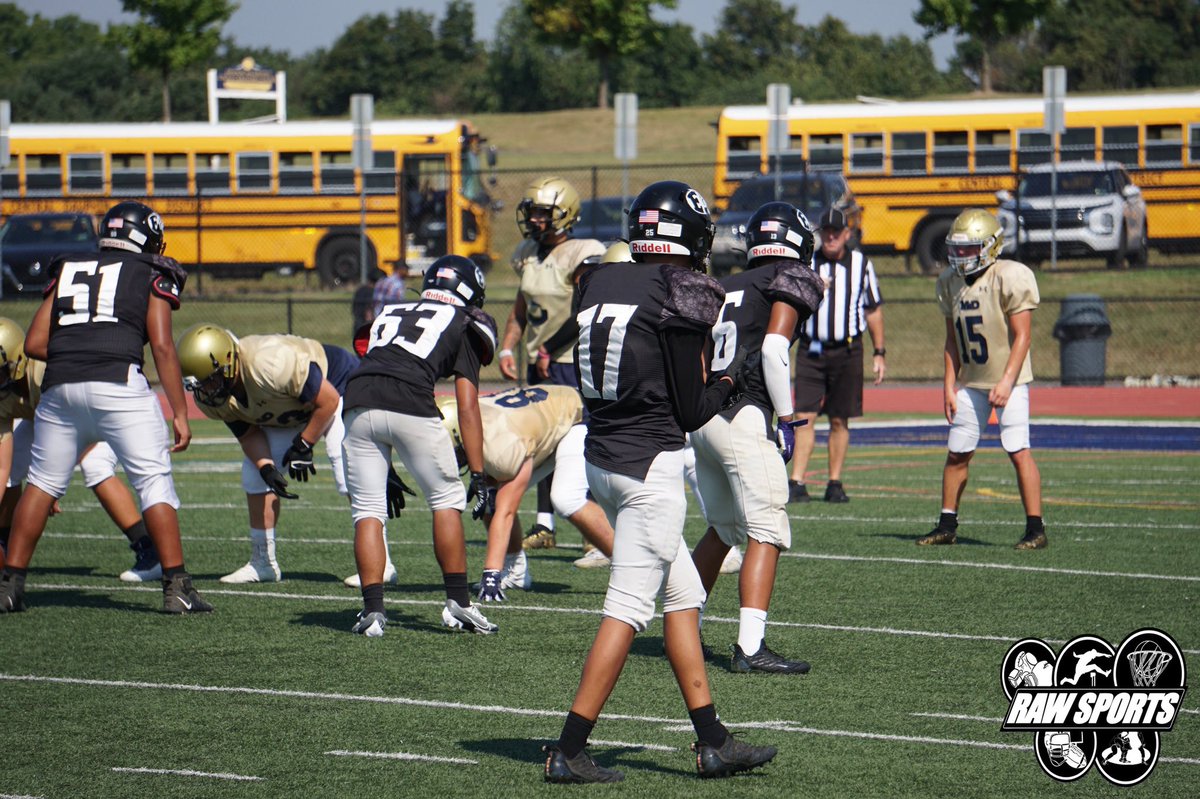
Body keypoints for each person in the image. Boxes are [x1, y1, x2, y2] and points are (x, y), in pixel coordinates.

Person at [542, 180, 776, 784]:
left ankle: (713, 740)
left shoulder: (599, 276)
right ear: (687, 238)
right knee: (626, 610)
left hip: (603, 457)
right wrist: (732, 380)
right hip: (649, 467)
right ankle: (569, 749)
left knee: (685, 598)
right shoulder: (681, 287)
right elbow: (694, 408)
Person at [0, 200, 210, 614]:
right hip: (118, 382)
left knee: (42, 484)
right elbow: (164, 345)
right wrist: (180, 412)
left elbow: (34, 343)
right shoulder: (152, 271)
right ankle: (177, 587)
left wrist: (79, 346)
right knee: (153, 483)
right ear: (145, 238)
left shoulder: (70, 268)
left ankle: (10, 585)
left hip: (60, 387)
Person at [689, 202, 824, 674]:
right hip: (744, 412)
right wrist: (785, 416)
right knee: (766, 526)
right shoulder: (787, 278)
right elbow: (772, 348)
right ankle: (750, 647)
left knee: (724, 528)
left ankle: (684, 632)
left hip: (705, 415)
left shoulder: (725, 285)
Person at [342, 254, 500, 638]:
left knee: (368, 511)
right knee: (447, 499)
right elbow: (466, 405)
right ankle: (459, 603)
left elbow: (381, 366)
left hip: (357, 401)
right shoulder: (463, 321)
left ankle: (373, 612)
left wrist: (389, 461)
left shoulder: (392, 308)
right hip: (410, 401)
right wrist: (478, 474)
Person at [176, 324, 367, 583]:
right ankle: (263, 562)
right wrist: (266, 467)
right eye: (200, 384)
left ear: (229, 362)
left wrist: (304, 444)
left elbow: (328, 401)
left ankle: (381, 563)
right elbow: (248, 433)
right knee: (255, 476)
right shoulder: (213, 397)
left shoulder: (269, 362)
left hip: (336, 386)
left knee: (348, 471)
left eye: (210, 380)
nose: (206, 390)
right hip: (293, 406)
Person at [918, 208, 1046, 550]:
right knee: (957, 452)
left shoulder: (1010, 276)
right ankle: (947, 524)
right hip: (972, 381)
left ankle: (1036, 528)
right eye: (956, 249)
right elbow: (951, 340)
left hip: (1011, 380)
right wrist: (948, 384)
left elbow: (1023, 337)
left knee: (1018, 449)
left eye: (968, 249)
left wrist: (1006, 381)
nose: (960, 256)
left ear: (991, 246)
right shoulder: (949, 281)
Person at [0, 319, 161, 582]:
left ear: (18, 360)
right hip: (54, 418)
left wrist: (48, 483)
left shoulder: (42, 373)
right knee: (14, 464)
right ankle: (5, 546)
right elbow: (2, 463)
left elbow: (76, 429)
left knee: (94, 462)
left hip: (105, 407)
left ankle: (149, 550)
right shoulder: (7, 390)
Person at [498, 177, 605, 551]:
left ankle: (594, 532)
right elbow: (521, 308)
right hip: (539, 362)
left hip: (570, 360)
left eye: (543, 212)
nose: (535, 219)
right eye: (533, 212)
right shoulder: (527, 252)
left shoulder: (584, 251)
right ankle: (544, 525)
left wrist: (549, 348)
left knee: (576, 443)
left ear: (565, 214)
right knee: (542, 442)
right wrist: (508, 348)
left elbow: (587, 308)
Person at [434, 386, 616, 602]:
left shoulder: (502, 447)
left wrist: (490, 573)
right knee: (488, 497)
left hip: (576, 416)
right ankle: (515, 571)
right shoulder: (476, 422)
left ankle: (630, 569)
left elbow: (507, 510)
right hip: (537, 421)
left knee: (566, 497)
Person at [788, 206, 886, 504]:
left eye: (836, 231)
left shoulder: (861, 264)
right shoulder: (808, 265)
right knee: (804, 415)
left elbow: (873, 310)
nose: (830, 236)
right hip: (811, 349)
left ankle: (834, 481)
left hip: (847, 349)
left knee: (840, 418)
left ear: (846, 234)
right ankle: (797, 481)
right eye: (826, 231)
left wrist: (879, 351)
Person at [351, 267, 386, 338]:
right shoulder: (372, 292)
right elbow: (369, 311)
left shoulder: (360, 290)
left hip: (357, 323)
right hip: (367, 326)